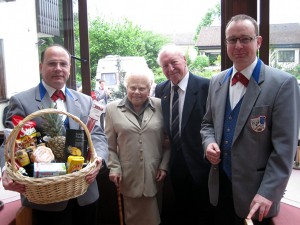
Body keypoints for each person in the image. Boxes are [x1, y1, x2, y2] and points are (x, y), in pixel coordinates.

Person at [200, 14, 300, 225]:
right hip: (220, 189)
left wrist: (268, 192)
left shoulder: (282, 83)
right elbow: (207, 123)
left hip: (258, 196)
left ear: (258, 41)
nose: (238, 45)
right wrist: (209, 143)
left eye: (245, 39)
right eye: (232, 39)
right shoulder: (216, 81)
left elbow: (285, 149)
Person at [0, 44, 108, 225]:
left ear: (69, 68)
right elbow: (10, 141)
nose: (58, 68)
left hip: (86, 193)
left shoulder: (85, 100)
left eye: (63, 64)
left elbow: (97, 135)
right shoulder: (21, 101)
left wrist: (99, 160)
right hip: (45, 199)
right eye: (52, 63)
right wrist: (5, 171)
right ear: (41, 66)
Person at [155, 44, 214, 225]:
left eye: (174, 62)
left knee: (204, 214)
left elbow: (214, 124)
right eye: (165, 66)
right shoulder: (161, 90)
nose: (170, 69)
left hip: (202, 164)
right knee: (182, 212)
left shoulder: (206, 86)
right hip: (175, 164)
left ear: (184, 61)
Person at [106, 69, 170, 225]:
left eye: (142, 88)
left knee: (155, 217)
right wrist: (114, 167)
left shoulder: (161, 105)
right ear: (126, 87)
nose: (137, 92)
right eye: (132, 87)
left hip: (154, 175)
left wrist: (164, 166)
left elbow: (168, 142)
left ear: (149, 89)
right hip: (128, 176)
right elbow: (109, 145)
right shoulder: (112, 109)